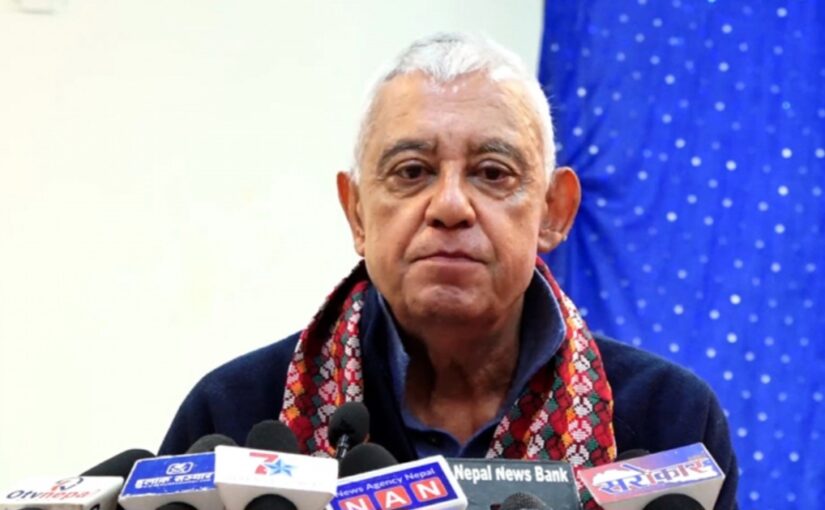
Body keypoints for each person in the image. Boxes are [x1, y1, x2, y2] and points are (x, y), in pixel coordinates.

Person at [159, 33, 738, 509]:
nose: (451, 206)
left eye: (493, 173)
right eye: (412, 172)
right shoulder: (234, 420)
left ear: (553, 212)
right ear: (357, 213)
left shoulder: (668, 422)